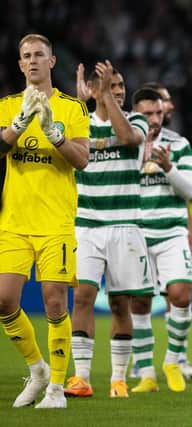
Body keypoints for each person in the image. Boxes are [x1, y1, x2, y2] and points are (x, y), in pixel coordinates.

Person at [0, 33, 90, 409]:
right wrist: (19, 124)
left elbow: (82, 159)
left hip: (56, 221)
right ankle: (36, 369)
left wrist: (55, 134)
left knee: (55, 303)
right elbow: (2, 146)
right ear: (20, 65)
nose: (33, 60)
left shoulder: (73, 108)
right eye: (26, 56)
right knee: (4, 300)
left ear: (52, 62)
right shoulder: (6, 105)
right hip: (14, 220)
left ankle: (56, 389)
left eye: (39, 54)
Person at [64, 61, 150, 399]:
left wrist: (104, 99)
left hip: (125, 225)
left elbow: (127, 137)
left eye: (120, 85)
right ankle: (81, 377)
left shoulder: (137, 120)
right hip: (86, 224)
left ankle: (118, 379)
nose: (118, 90)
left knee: (119, 304)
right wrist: (80, 105)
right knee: (83, 296)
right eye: (111, 86)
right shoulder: (81, 124)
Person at [127, 88, 192, 393]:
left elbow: (189, 192)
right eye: (147, 114)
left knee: (181, 295)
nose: (155, 119)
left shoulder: (178, 143)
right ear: (133, 114)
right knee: (140, 302)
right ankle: (145, 374)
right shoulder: (126, 143)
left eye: (158, 113)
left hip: (171, 232)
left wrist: (168, 167)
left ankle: (172, 360)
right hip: (136, 232)